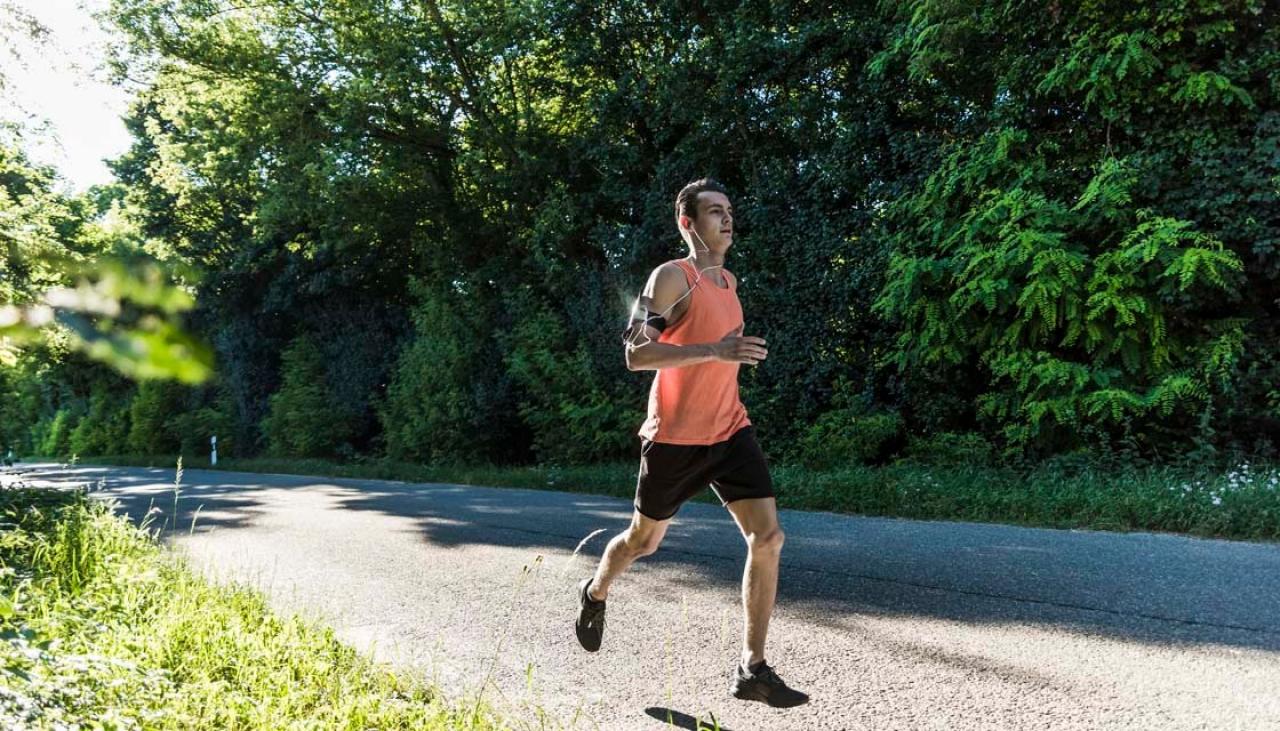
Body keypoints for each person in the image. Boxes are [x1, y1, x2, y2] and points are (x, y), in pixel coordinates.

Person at [575, 178, 808, 708]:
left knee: (768, 538)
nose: (727, 220)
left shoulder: (727, 282)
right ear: (688, 222)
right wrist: (714, 351)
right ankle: (595, 592)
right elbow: (636, 355)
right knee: (643, 542)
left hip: (730, 430)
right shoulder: (671, 278)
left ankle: (752, 669)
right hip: (676, 438)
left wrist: (726, 359)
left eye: (729, 211)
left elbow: (722, 359)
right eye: (714, 212)